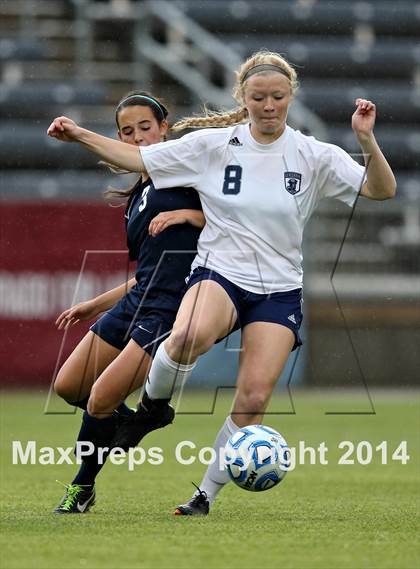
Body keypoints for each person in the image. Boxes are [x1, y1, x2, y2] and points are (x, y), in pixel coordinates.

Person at [47, 50, 396, 516]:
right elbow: (135, 155)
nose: (268, 105)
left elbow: (380, 190)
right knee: (187, 334)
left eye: (277, 96)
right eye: (258, 97)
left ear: (290, 96)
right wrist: (77, 135)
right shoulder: (213, 146)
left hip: (278, 290)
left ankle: (203, 497)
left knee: (252, 399)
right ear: (243, 98)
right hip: (220, 273)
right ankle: (152, 409)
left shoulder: (314, 155)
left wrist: (366, 141)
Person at [51, 90, 205, 513]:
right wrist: (95, 305)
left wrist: (189, 216)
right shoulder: (138, 194)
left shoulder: (188, 171)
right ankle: (135, 420)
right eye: (126, 132)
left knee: (99, 397)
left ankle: (82, 488)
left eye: (145, 128)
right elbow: (146, 271)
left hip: (171, 308)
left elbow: (237, 217)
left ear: (164, 128)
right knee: (69, 387)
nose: (137, 138)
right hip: (137, 299)